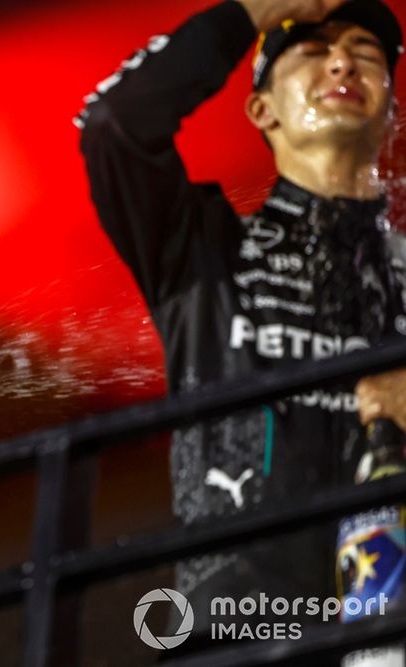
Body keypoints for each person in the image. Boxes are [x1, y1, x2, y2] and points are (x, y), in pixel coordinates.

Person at [77, 0, 406, 653]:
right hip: (240, 622)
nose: (342, 60)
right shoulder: (201, 251)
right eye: (312, 51)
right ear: (262, 110)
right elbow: (112, 125)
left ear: (391, 109)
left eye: (367, 53)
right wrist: (244, 16)